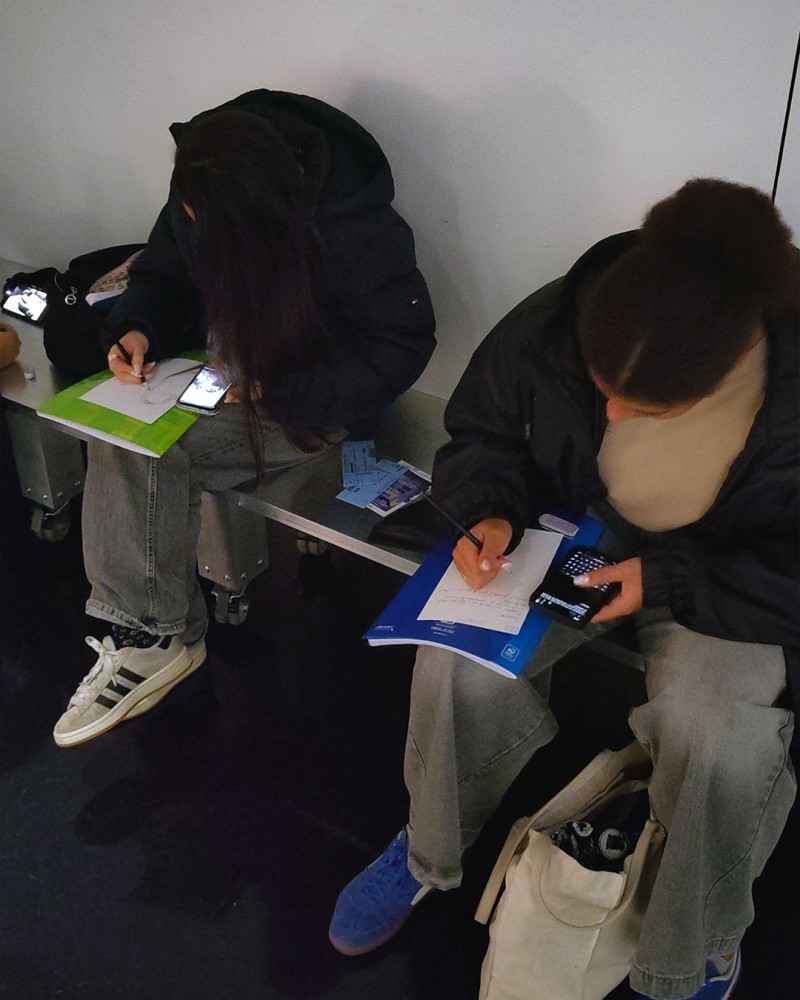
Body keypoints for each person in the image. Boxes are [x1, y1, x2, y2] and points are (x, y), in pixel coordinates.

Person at [328, 179, 799, 1000]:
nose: (610, 416)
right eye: (600, 387)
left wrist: (669, 578)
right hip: (589, 523)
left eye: (642, 405)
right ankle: (428, 851)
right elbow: (483, 430)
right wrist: (489, 509)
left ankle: (697, 944)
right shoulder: (564, 314)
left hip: (737, 571)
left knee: (718, 738)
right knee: (456, 662)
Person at [53, 89, 436, 748]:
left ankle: (152, 638)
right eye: (188, 212)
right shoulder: (207, 180)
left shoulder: (357, 229)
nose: (193, 223)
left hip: (311, 398)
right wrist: (136, 327)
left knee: (154, 451)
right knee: (126, 435)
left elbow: (400, 344)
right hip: (223, 377)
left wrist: (284, 387)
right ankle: (151, 633)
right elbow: (164, 271)